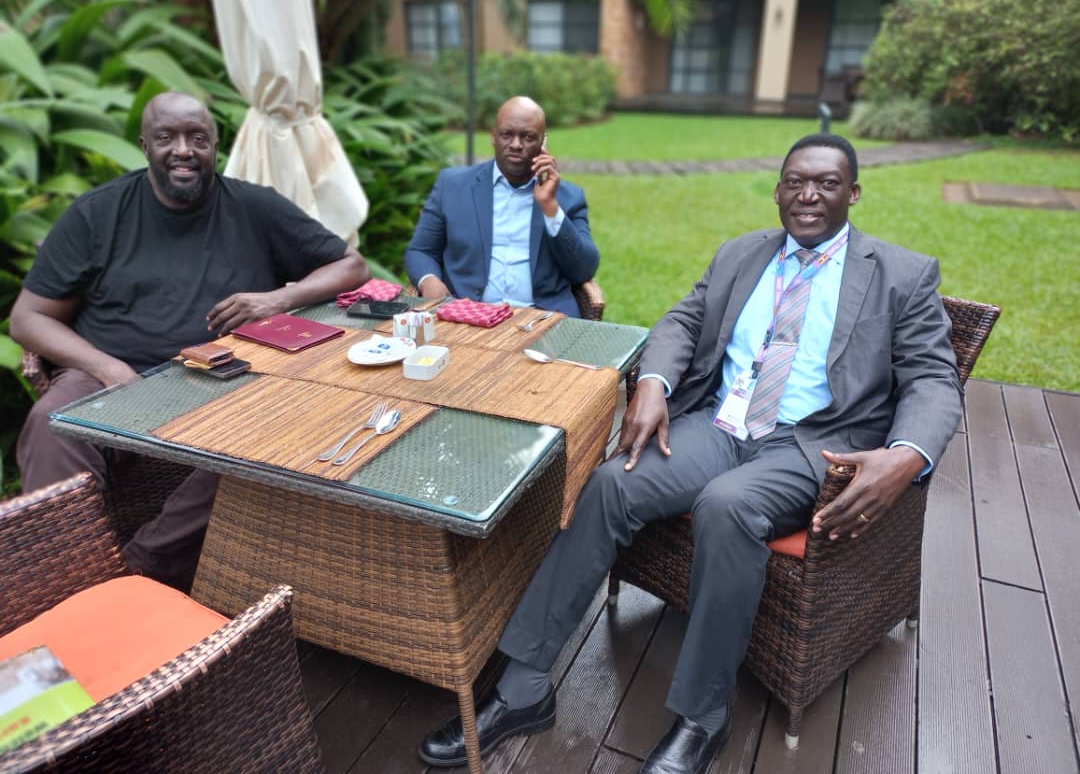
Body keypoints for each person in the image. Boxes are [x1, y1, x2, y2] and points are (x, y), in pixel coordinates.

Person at [418, 134, 963, 773]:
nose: (807, 194)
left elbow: (933, 378)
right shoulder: (743, 253)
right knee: (610, 485)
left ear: (854, 192)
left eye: (826, 183)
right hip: (722, 425)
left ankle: (703, 717)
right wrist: (653, 382)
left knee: (726, 507)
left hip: (812, 444)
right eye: (794, 181)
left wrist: (907, 454)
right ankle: (523, 688)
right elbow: (683, 320)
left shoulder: (899, 272)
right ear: (778, 187)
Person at [11, 91, 370, 592]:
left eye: (197, 138)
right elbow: (27, 318)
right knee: (52, 426)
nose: (183, 149)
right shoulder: (98, 214)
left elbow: (351, 266)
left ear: (214, 147)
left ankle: (139, 573)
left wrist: (276, 300)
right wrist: (107, 368)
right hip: (109, 376)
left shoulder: (254, 207)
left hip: (223, 380)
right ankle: (67, 584)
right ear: (145, 144)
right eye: (167, 137)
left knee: (266, 446)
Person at [404, 96, 598, 317]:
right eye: (507, 135)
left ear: (543, 142)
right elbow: (421, 250)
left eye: (528, 137)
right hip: (467, 314)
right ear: (493, 137)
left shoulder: (568, 197)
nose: (516, 144)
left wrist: (550, 208)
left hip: (542, 318)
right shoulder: (453, 185)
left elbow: (584, 270)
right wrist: (429, 281)